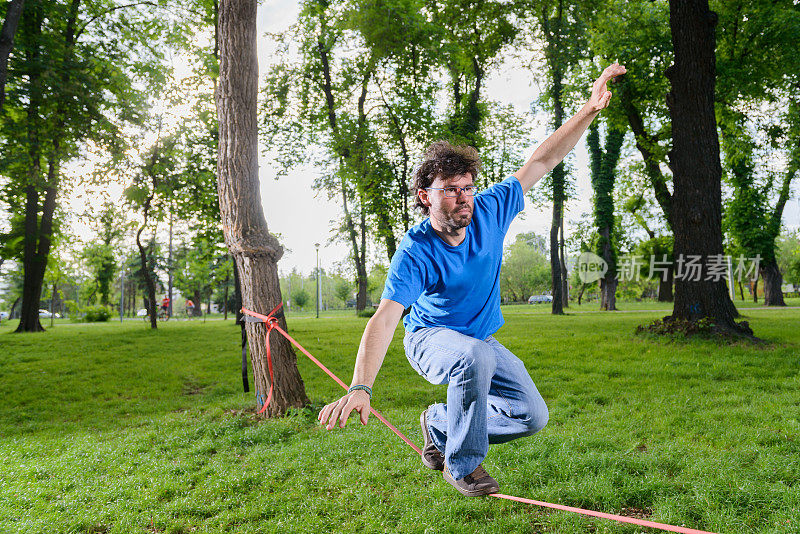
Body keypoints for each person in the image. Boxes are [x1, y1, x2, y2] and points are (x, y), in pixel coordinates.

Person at [318, 63, 627, 496]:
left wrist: (589, 109)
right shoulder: (415, 249)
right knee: (471, 360)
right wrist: (360, 387)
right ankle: (462, 466)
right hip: (430, 338)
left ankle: (439, 422)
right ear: (426, 196)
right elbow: (385, 319)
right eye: (450, 189)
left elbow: (544, 158)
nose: (463, 198)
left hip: (479, 341)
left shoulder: (490, 209)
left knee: (531, 414)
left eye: (467, 187)